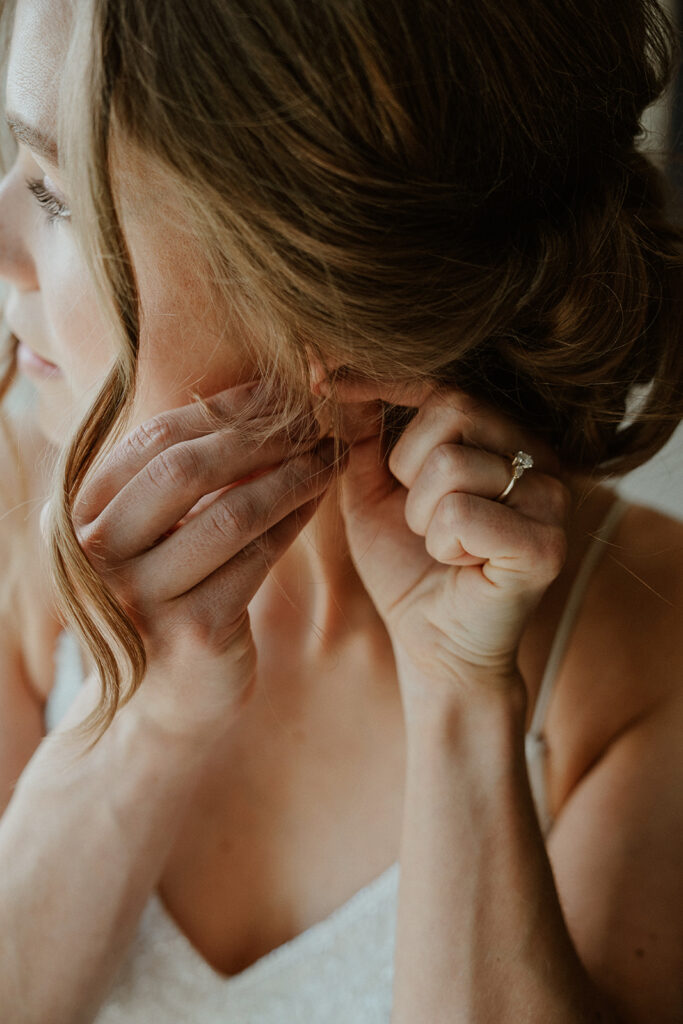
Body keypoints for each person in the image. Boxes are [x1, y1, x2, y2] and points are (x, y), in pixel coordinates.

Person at [0, 0, 682, 1020]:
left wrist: (459, 697)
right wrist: (142, 719)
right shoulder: (20, 498)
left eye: (57, 197)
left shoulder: (650, 642)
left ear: (329, 317)